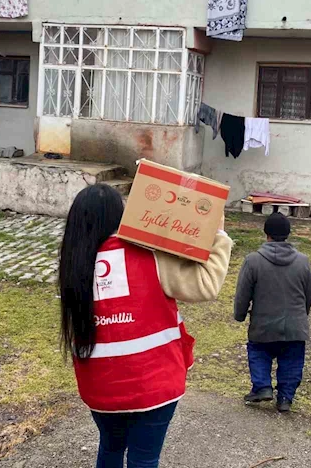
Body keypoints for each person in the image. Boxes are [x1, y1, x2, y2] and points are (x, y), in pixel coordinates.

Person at [59, 183, 233, 468]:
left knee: (111, 448)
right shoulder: (151, 254)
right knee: (144, 458)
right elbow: (206, 285)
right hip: (154, 384)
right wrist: (219, 236)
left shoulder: (73, 265)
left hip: (99, 387)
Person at [233, 212, 311, 413]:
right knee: (292, 359)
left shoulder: (253, 260)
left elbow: (243, 292)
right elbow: (308, 293)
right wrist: (302, 315)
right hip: (295, 325)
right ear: (288, 234)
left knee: (259, 352)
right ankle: (285, 397)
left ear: (266, 233)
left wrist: (240, 315)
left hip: (263, 322)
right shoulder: (302, 261)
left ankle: (262, 387)